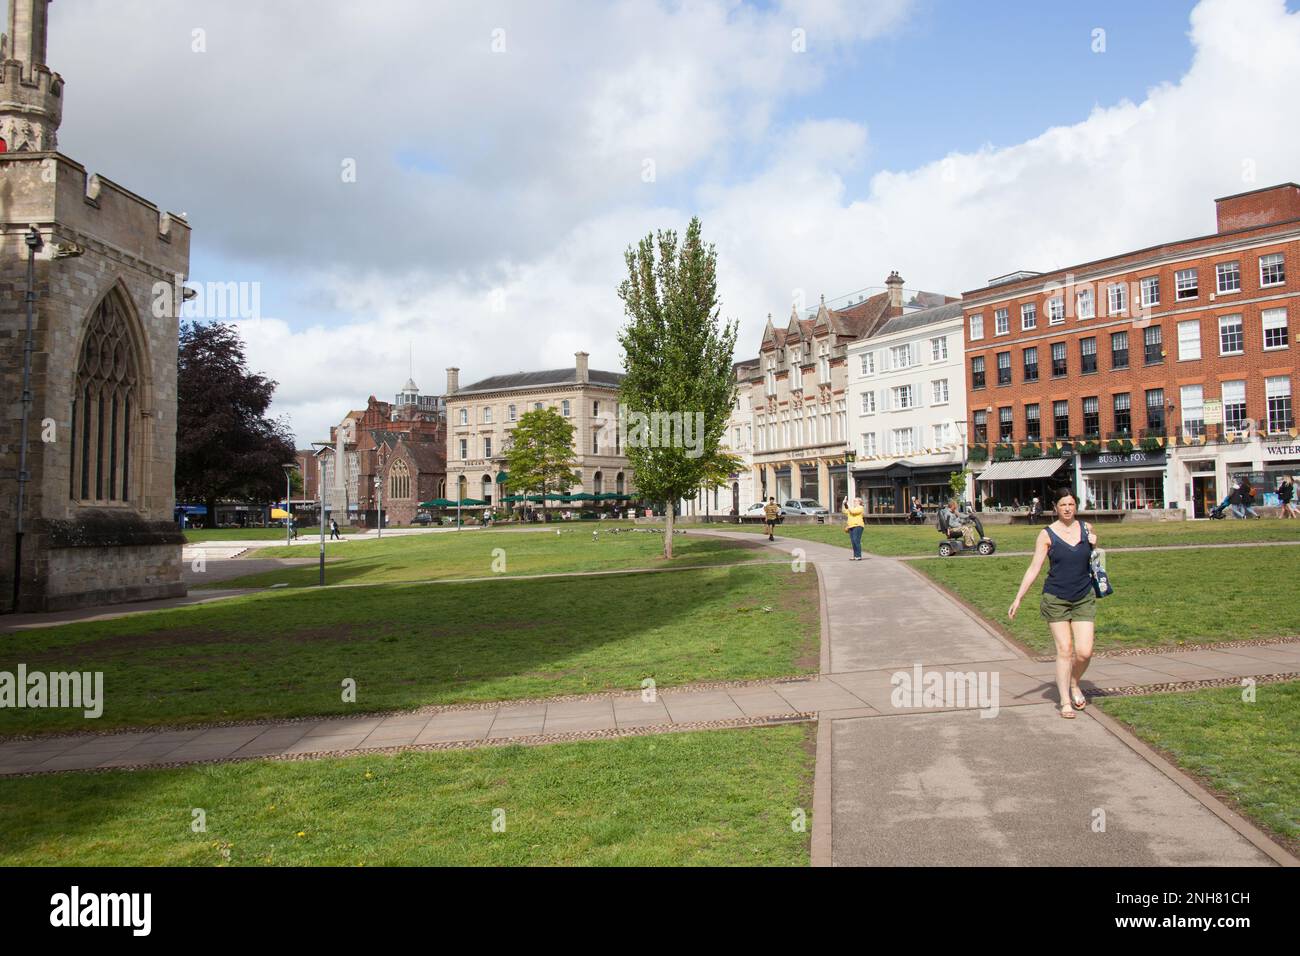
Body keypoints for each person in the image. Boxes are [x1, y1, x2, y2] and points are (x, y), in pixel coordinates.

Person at [1008, 488, 1098, 719]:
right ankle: (1065, 701)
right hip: (1056, 598)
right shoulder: (1046, 534)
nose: (1067, 508)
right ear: (1055, 508)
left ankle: (1074, 683)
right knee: (1065, 650)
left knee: (1085, 652)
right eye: (1063, 505)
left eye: (1071, 504)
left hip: (1083, 596)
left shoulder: (1087, 529)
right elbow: (1034, 568)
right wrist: (1019, 597)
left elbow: (1092, 559)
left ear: (1075, 506)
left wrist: (1094, 545)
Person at [842, 496, 866, 560]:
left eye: (855, 501)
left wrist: (848, 505)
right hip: (851, 526)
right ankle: (855, 555)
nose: (854, 502)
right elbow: (844, 511)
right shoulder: (851, 508)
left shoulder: (860, 508)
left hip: (858, 526)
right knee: (853, 542)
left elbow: (853, 512)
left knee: (856, 540)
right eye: (854, 501)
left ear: (859, 502)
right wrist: (844, 503)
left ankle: (859, 556)